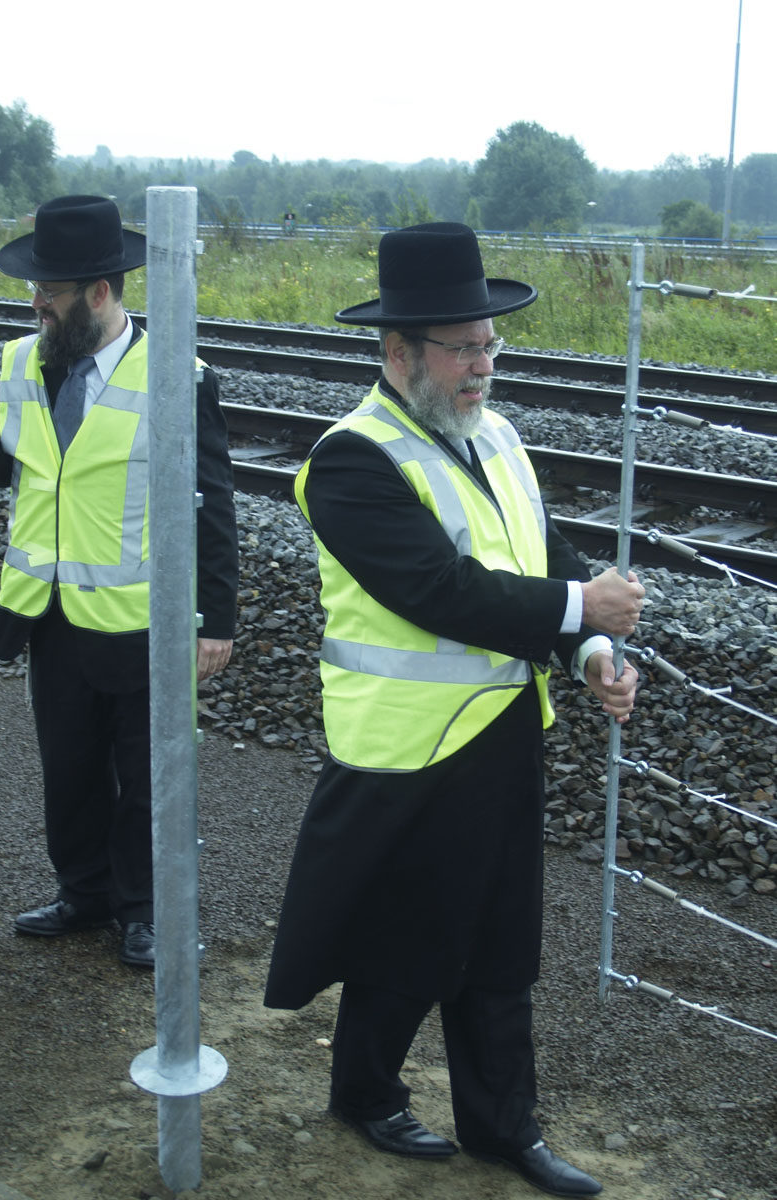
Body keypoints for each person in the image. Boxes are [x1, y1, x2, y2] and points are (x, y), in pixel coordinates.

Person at [264, 223, 643, 1197]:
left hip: (505, 733)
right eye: (462, 348)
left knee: (502, 943)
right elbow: (439, 591)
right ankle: (364, 1092)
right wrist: (581, 607)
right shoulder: (350, 461)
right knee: (410, 940)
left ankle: (504, 1129)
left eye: (489, 345)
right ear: (399, 352)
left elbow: (538, 555)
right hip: (408, 749)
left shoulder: (497, 435)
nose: (482, 366)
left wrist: (590, 650)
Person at [0, 195, 238, 970]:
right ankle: (84, 894)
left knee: (146, 777)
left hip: (141, 619)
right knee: (71, 770)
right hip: (48, 612)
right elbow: (24, 469)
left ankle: (143, 911)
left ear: (99, 292)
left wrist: (215, 618)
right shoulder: (23, 360)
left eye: (49, 292)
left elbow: (212, 503)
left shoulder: (179, 377)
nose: (36, 304)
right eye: (35, 289)